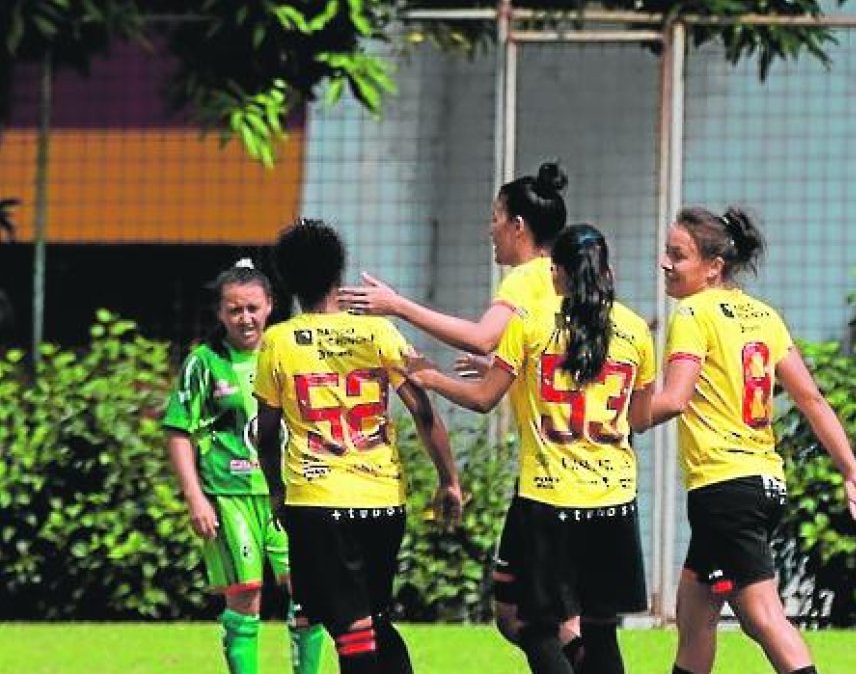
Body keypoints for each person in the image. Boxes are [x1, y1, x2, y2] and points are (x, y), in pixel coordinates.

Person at [337, 162, 583, 658]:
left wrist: (398, 306)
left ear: (517, 226)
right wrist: (502, 363)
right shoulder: (566, 278)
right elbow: (548, 352)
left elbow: (482, 335)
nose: (488, 228)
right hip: (595, 469)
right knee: (567, 618)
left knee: (520, 616)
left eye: (495, 217)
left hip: (550, 480)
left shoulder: (524, 279)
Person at [405, 223, 655, 674]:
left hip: (548, 500)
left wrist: (429, 376)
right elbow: (639, 418)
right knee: (600, 630)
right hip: (615, 500)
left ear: (555, 272)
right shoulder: (636, 330)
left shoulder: (532, 321)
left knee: (535, 625)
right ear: (609, 273)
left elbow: (483, 399)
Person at [648, 206, 856, 674]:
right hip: (763, 484)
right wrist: (851, 471)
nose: (665, 263)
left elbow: (673, 399)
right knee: (696, 616)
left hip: (724, 489)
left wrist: (618, 417)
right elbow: (812, 398)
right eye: (667, 252)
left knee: (763, 617)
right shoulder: (763, 316)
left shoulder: (693, 312)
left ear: (714, 266)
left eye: (678, 255)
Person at [253, 219, 463, 674]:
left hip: (318, 502)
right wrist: (449, 480)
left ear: (285, 280)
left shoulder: (278, 341)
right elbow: (424, 412)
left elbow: (265, 433)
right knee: (371, 621)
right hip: (383, 500)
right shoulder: (378, 333)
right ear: (337, 276)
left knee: (350, 628)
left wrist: (276, 491)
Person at [162, 258, 326, 674]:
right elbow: (178, 431)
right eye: (234, 309)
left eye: (253, 307)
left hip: (290, 493)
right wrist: (194, 496)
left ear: (270, 305)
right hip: (230, 495)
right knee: (245, 593)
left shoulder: (290, 352)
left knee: (309, 593)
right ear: (220, 313)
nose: (245, 318)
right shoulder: (204, 362)